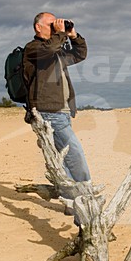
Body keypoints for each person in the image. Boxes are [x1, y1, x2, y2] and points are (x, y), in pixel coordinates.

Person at [23, 12, 91, 185]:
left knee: (64, 155)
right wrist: (60, 34)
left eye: (57, 25)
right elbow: (49, 48)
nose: (56, 28)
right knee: (75, 152)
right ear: (38, 27)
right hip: (49, 111)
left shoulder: (56, 51)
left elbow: (80, 54)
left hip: (63, 110)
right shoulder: (33, 48)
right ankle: (86, 192)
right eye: (51, 25)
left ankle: (70, 197)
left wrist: (74, 36)